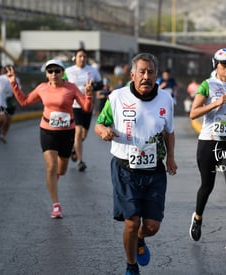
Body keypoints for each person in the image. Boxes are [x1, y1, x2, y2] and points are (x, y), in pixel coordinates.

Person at [94, 53, 177, 275]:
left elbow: (169, 131)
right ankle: (131, 266)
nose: (146, 76)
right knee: (131, 222)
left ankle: (141, 238)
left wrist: (170, 157)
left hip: (154, 170)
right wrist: (104, 131)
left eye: (150, 72)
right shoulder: (117, 97)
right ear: (133, 74)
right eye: (142, 71)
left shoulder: (166, 100)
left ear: (156, 75)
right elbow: (99, 124)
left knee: (152, 226)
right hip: (125, 168)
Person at [6, 59, 93, 218]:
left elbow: (86, 108)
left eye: (57, 71)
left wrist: (88, 94)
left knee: (62, 169)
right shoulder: (42, 88)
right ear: (46, 74)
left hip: (67, 132)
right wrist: (14, 83)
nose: (54, 74)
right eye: (50, 71)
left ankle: (56, 175)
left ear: (62, 72)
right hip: (47, 131)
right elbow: (24, 101)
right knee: (51, 166)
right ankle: (56, 205)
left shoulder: (71, 88)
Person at [189, 48, 226, 250]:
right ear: (216, 65)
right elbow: (193, 113)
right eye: (224, 63)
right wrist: (215, 103)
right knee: (207, 186)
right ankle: (197, 218)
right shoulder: (207, 85)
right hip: (209, 142)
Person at [64, 48, 102, 171]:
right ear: (75, 58)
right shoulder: (68, 71)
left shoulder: (92, 70)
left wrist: (92, 86)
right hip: (74, 105)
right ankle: (81, 161)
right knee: (78, 132)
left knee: (83, 135)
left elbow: (100, 84)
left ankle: (74, 150)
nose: (82, 58)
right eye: (80, 56)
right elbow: (62, 84)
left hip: (88, 105)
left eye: (84, 56)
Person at [0, 65, 22, 144]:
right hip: (0, 101)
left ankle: (2, 136)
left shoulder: (16, 80)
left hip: (10, 102)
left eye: (14, 71)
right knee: (2, 118)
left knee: (8, 121)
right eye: (10, 70)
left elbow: (18, 91)